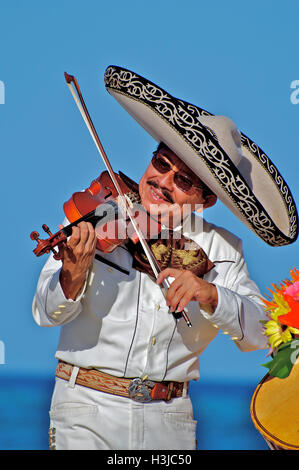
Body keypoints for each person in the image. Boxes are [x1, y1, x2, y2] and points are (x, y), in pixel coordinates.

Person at [32, 66, 298, 450]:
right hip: (85, 411)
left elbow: (260, 332)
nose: (163, 182)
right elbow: (44, 312)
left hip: (168, 421)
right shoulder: (98, 218)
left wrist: (211, 294)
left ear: (205, 200)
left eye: (184, 180)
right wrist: (70, 276)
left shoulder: (222, 251)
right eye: (161, 163)